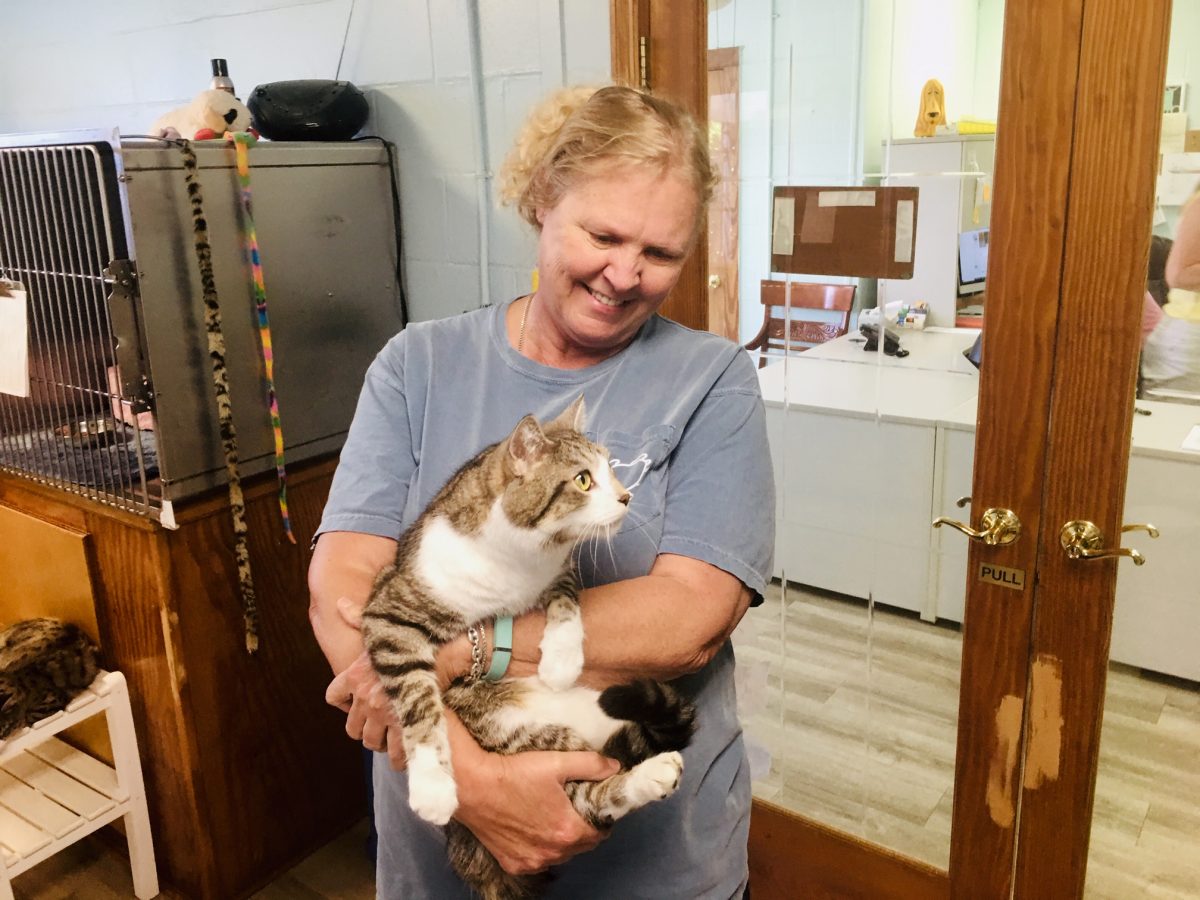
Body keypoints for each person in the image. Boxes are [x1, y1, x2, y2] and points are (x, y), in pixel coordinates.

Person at [308, 84, 775, 899]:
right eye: (603, 234)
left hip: (651, 864)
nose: (625, 274)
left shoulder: (712, 380)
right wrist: (480, 786)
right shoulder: (417, 366)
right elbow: (342, 587)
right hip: (443, 839)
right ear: (540, 202)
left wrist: (467, 649)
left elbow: (689, 620)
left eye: (660, 254)